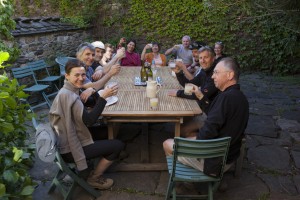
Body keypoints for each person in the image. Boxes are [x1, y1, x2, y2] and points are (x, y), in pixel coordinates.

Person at [163, 57, 249, 176]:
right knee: (188, 133)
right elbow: (213, 115)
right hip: (228, 155)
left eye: (216, 73)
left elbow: (206, 135)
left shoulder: (225, 98)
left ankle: (185, 184)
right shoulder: (240, 97)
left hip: (214, 162)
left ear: (230, 75)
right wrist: (200, 95)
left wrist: (183, 142)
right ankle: (214, 180)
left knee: (168, 143)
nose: (213, 76)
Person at [49, 59, 125, 190]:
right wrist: (103, 98)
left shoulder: (69, 90)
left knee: (108, 130)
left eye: (83, 75)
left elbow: (88, 104)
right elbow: (90, 120)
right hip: (70, 148)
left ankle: (108, 155)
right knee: (118, 145)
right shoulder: (68, 96)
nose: (81, 78)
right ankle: (94, 177)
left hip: (71, 136)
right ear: (67, 76)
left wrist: (93, 92)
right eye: (76, 75)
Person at [168, 46, 219, 137]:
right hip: (201, 107)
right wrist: (178, 73)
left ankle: (208, 139)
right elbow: (190, 85)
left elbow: (198, 95)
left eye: (206, 57)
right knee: (181, 121)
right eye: (200, 58)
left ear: (213, 58)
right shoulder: (204, 71)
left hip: (210, 114)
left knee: (182, 130)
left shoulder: (215, 75)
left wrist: (177, 93)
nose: (202, 61)